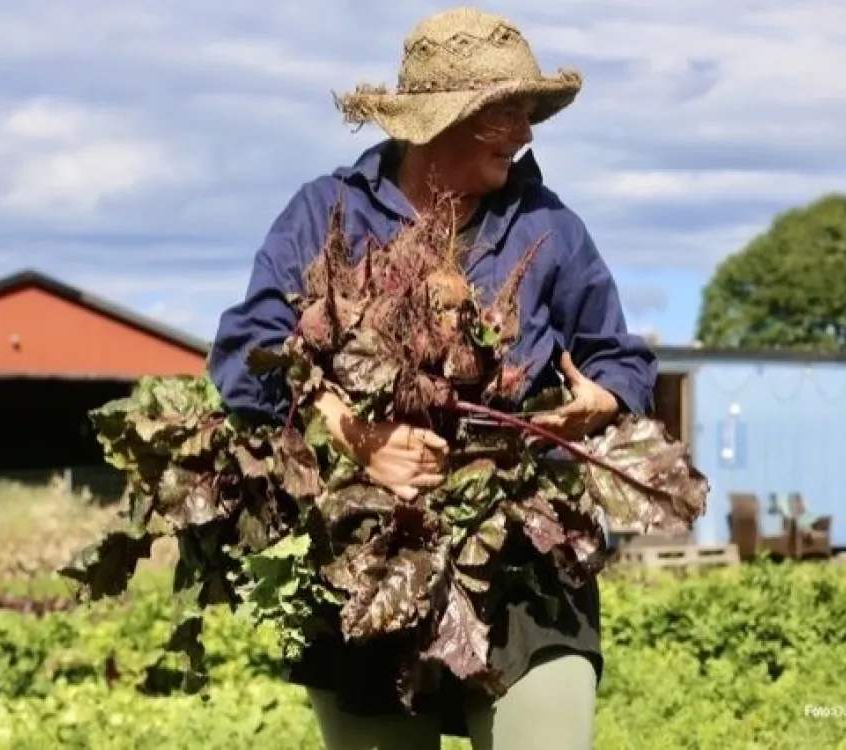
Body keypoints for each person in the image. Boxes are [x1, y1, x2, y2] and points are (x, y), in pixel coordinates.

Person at [208, 6, 657, 749]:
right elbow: (247, 354)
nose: (525, 133)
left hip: (524, 559)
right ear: (439, 122)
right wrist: (355, 435)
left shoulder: (550, 228)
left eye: (527, 112)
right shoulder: (328, 213)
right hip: (371, 559)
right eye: (503, 114)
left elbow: (620, 356)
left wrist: (599, 399)